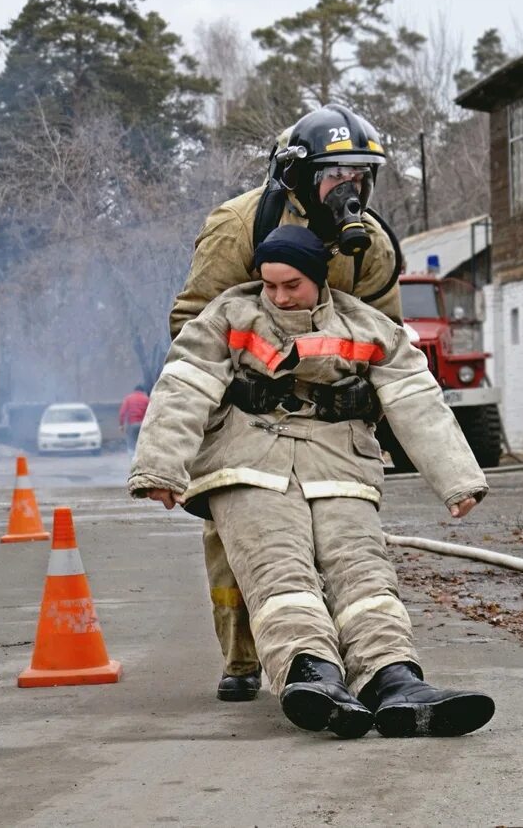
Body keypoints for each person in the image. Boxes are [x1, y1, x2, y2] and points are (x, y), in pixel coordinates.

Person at [130, 225, 494, 739]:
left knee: (364, 572)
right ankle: (311, 672)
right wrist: (161, 469)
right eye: (269, 284)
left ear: (319, 279)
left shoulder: (366, 326)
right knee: (279, 569)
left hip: (339, 464)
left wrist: (458, 480)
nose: (278, 296)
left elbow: (417, 399)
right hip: (248, 461)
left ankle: (394, 678)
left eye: (292, 284)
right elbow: (184, 385)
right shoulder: (229, 315)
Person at [169, 104, 406, 703]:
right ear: (298, 175)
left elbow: (390, 335)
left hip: (330, 426)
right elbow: (192, 324)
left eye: (360, 177)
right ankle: (244, 659)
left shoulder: (368, 244)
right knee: (239, 535)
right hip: (248, 410)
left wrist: (369, 406)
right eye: (336, 175)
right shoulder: (240, 225)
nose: (350, 190)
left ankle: (365, 666)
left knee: (345, 542)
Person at [118, 385, 150, 454]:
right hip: (143, 425)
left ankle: (133, 460)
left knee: (131, 445)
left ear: (134, 390)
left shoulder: (128, 399)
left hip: (132, 425)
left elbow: (122, 413)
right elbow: (150, 412)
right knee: (143, 443)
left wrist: (121, 425)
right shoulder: (146, 399)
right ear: (143, 391)